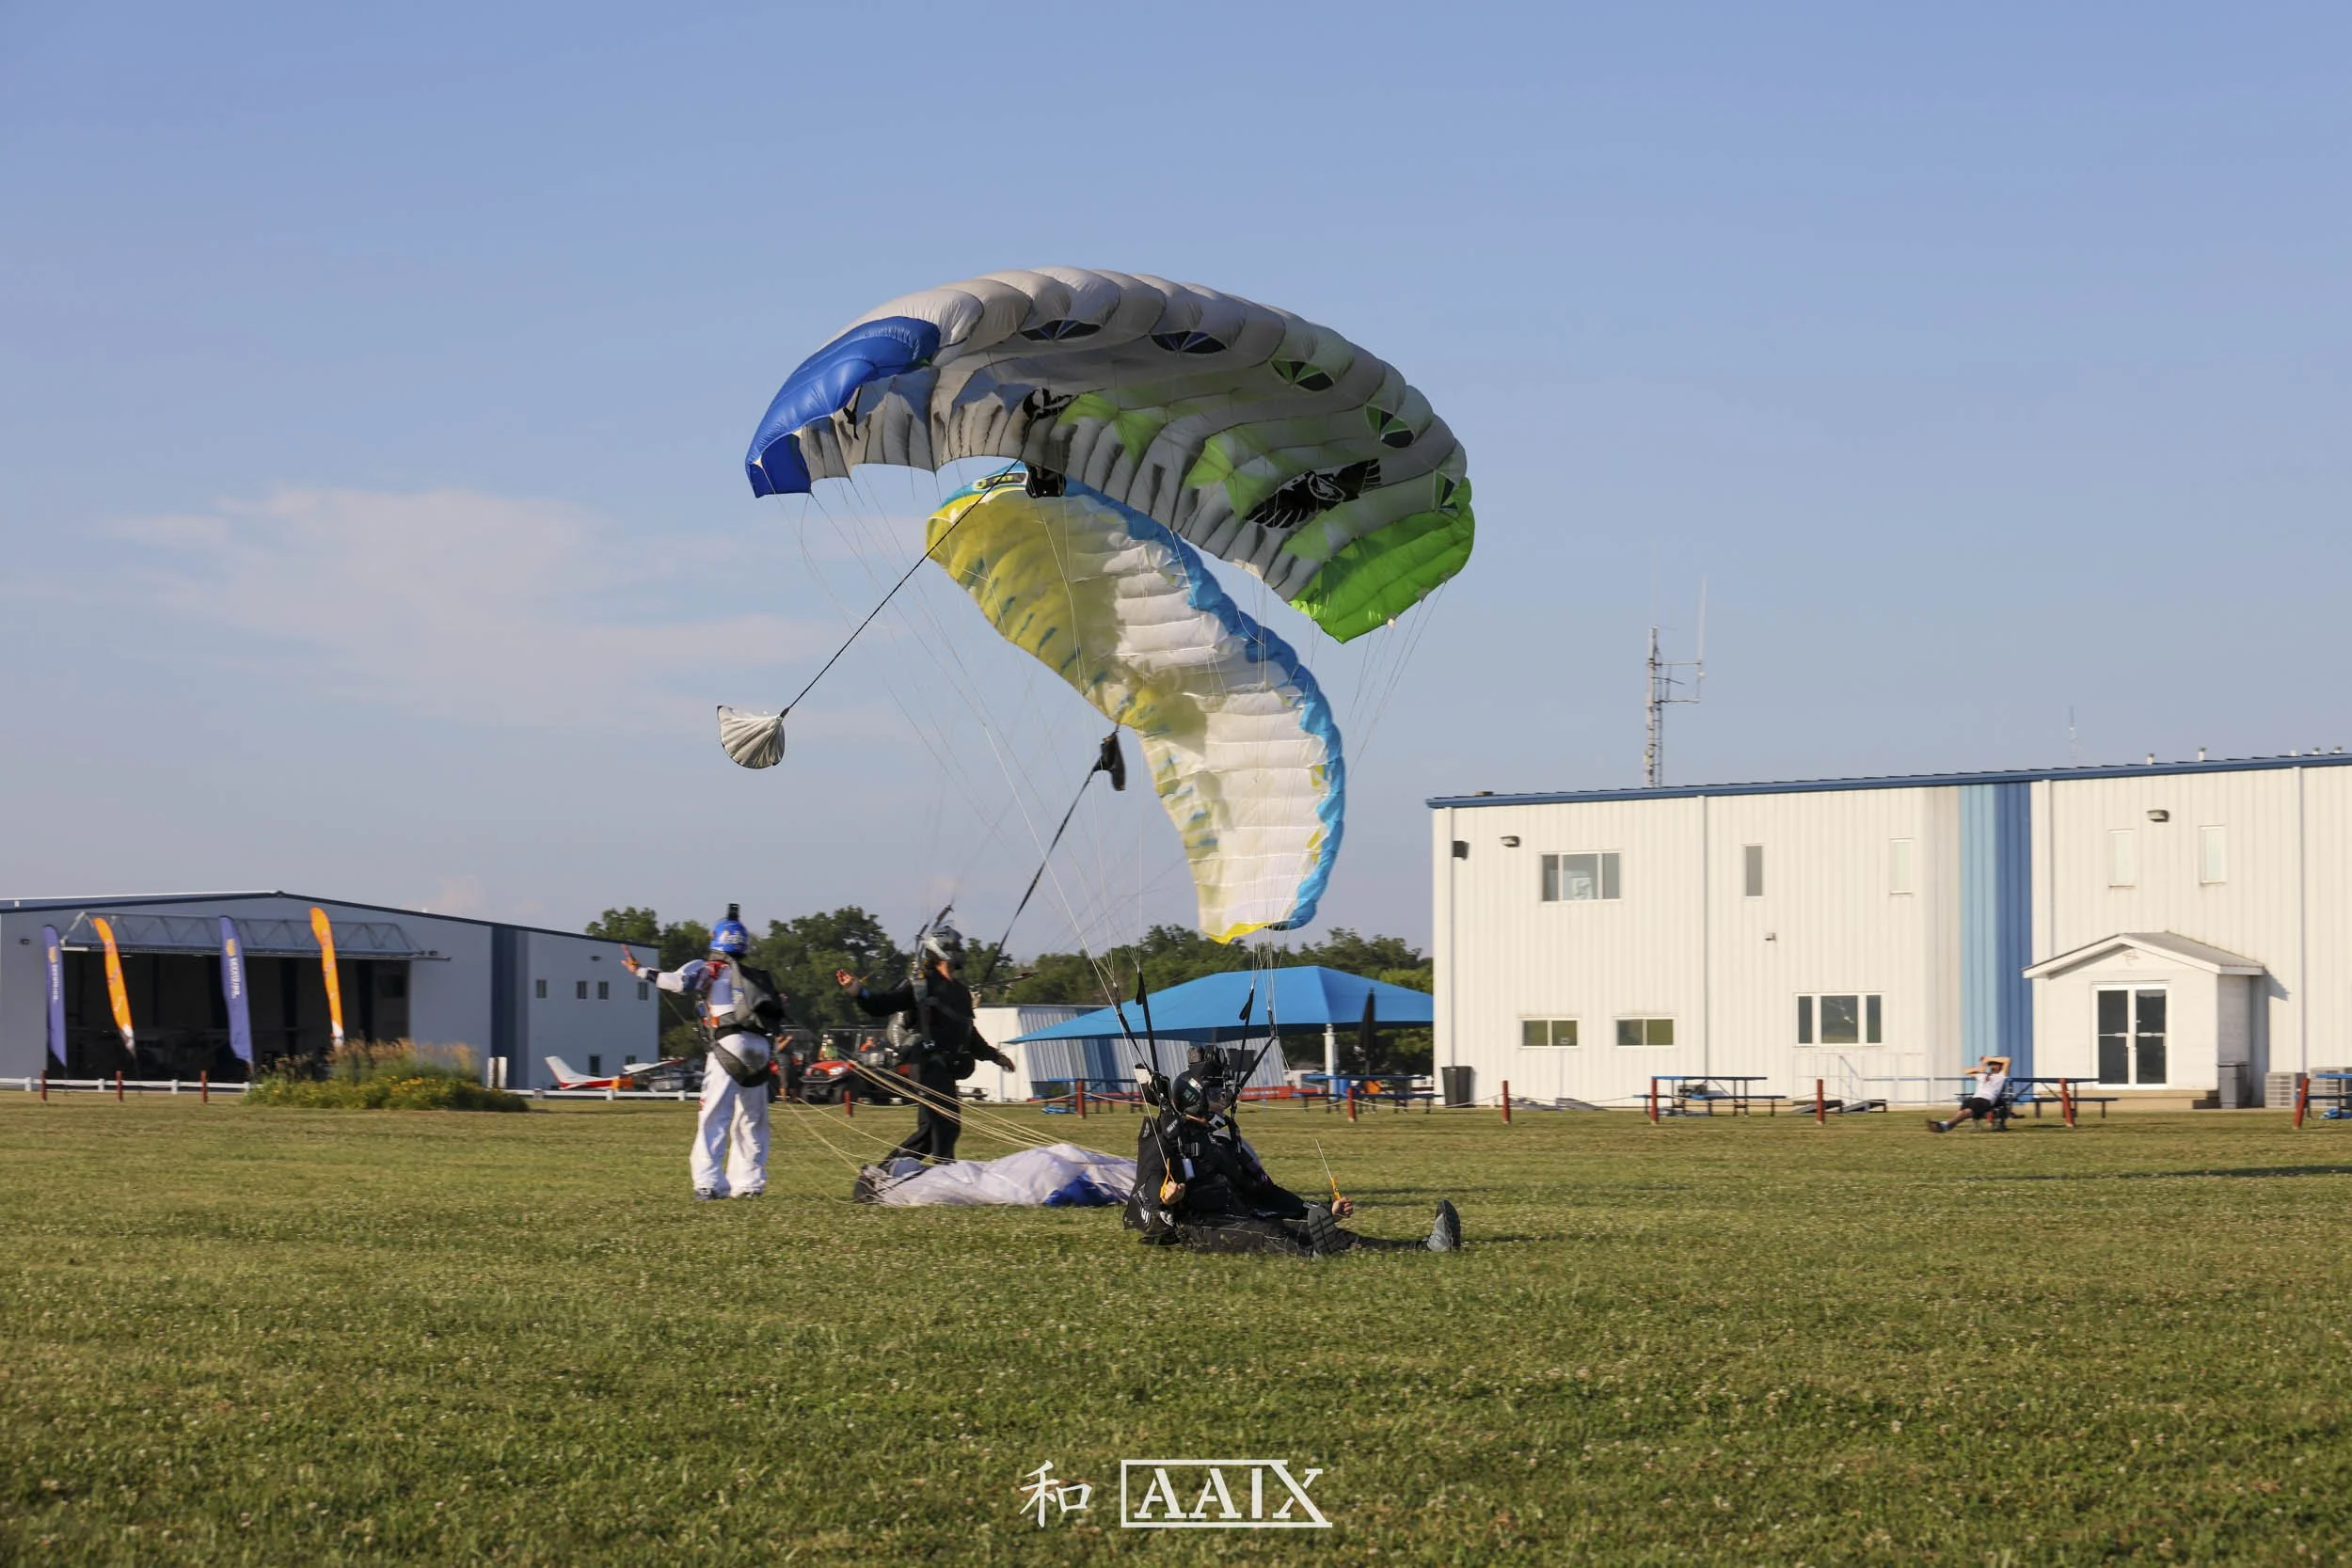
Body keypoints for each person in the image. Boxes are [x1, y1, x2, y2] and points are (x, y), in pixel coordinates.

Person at [1125, 1046, 1460, 1257]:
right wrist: (1165, 1196)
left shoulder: (1225, 1143)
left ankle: (1426, 1247)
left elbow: (1265, 1192)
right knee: (1269, 1234)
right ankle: (1314, 1256)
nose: (1224, 1100)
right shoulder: (1165, 1136)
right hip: (1199, 1228)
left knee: (1331, 1235)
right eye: (1216, 1093)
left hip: (1240, 1218)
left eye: (1225, 1092)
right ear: (1194, 1095)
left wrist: (1322, 1211)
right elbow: (1151, 1179)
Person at [625, 904, 782, 1198]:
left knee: (714, 1116)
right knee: (752, 1119)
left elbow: (679, 982)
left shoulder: (710, 967)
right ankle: (749, 1184)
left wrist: (641, 971)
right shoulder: (756, 975)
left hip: (728, 1044)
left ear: (717, 940)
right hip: (761, 1046)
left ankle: (709, 1183)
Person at [834, 919, 1012, 1164]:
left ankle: (884, 1174)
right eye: (956, 946)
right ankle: (944, 1173)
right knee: (945, 1126)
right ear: (941, 950)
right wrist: (858, 991)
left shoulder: (960, 991)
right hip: (926, 1062)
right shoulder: (921, 983)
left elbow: (968, 1033)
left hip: (947, 1066)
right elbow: (883, 1004)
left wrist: (995, 1056)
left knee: (930, 1132)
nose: (961, 952)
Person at [1929, 1054, 2013, 1133]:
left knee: (1967, 1111)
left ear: (2000, 1066)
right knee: (1963, 1111)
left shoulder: (2001, 1075)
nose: (1992, 1066)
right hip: (1975, 1099)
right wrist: (1980, 1067)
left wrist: (1988, 1059)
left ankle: (1946, 1125)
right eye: (1991, 1064)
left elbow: (2007, 1060)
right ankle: (1947, 1125)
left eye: (1995, 1064)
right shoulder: (1982, 1075)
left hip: (1985, 1100)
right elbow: (1965, 1071)